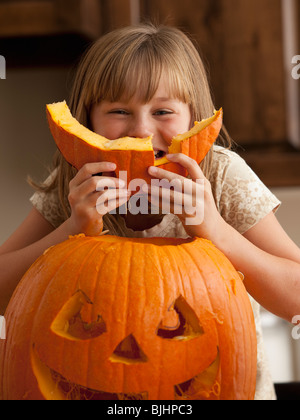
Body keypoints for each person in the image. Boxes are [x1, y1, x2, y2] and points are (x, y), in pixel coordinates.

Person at [1, 24, 300, 400]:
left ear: (194, 118)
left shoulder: (219, 176)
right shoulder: (74, 185)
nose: (141, 131)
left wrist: (217, 231)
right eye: (119, 111)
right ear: (86, 121)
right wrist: (71, 230)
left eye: (162, 110)